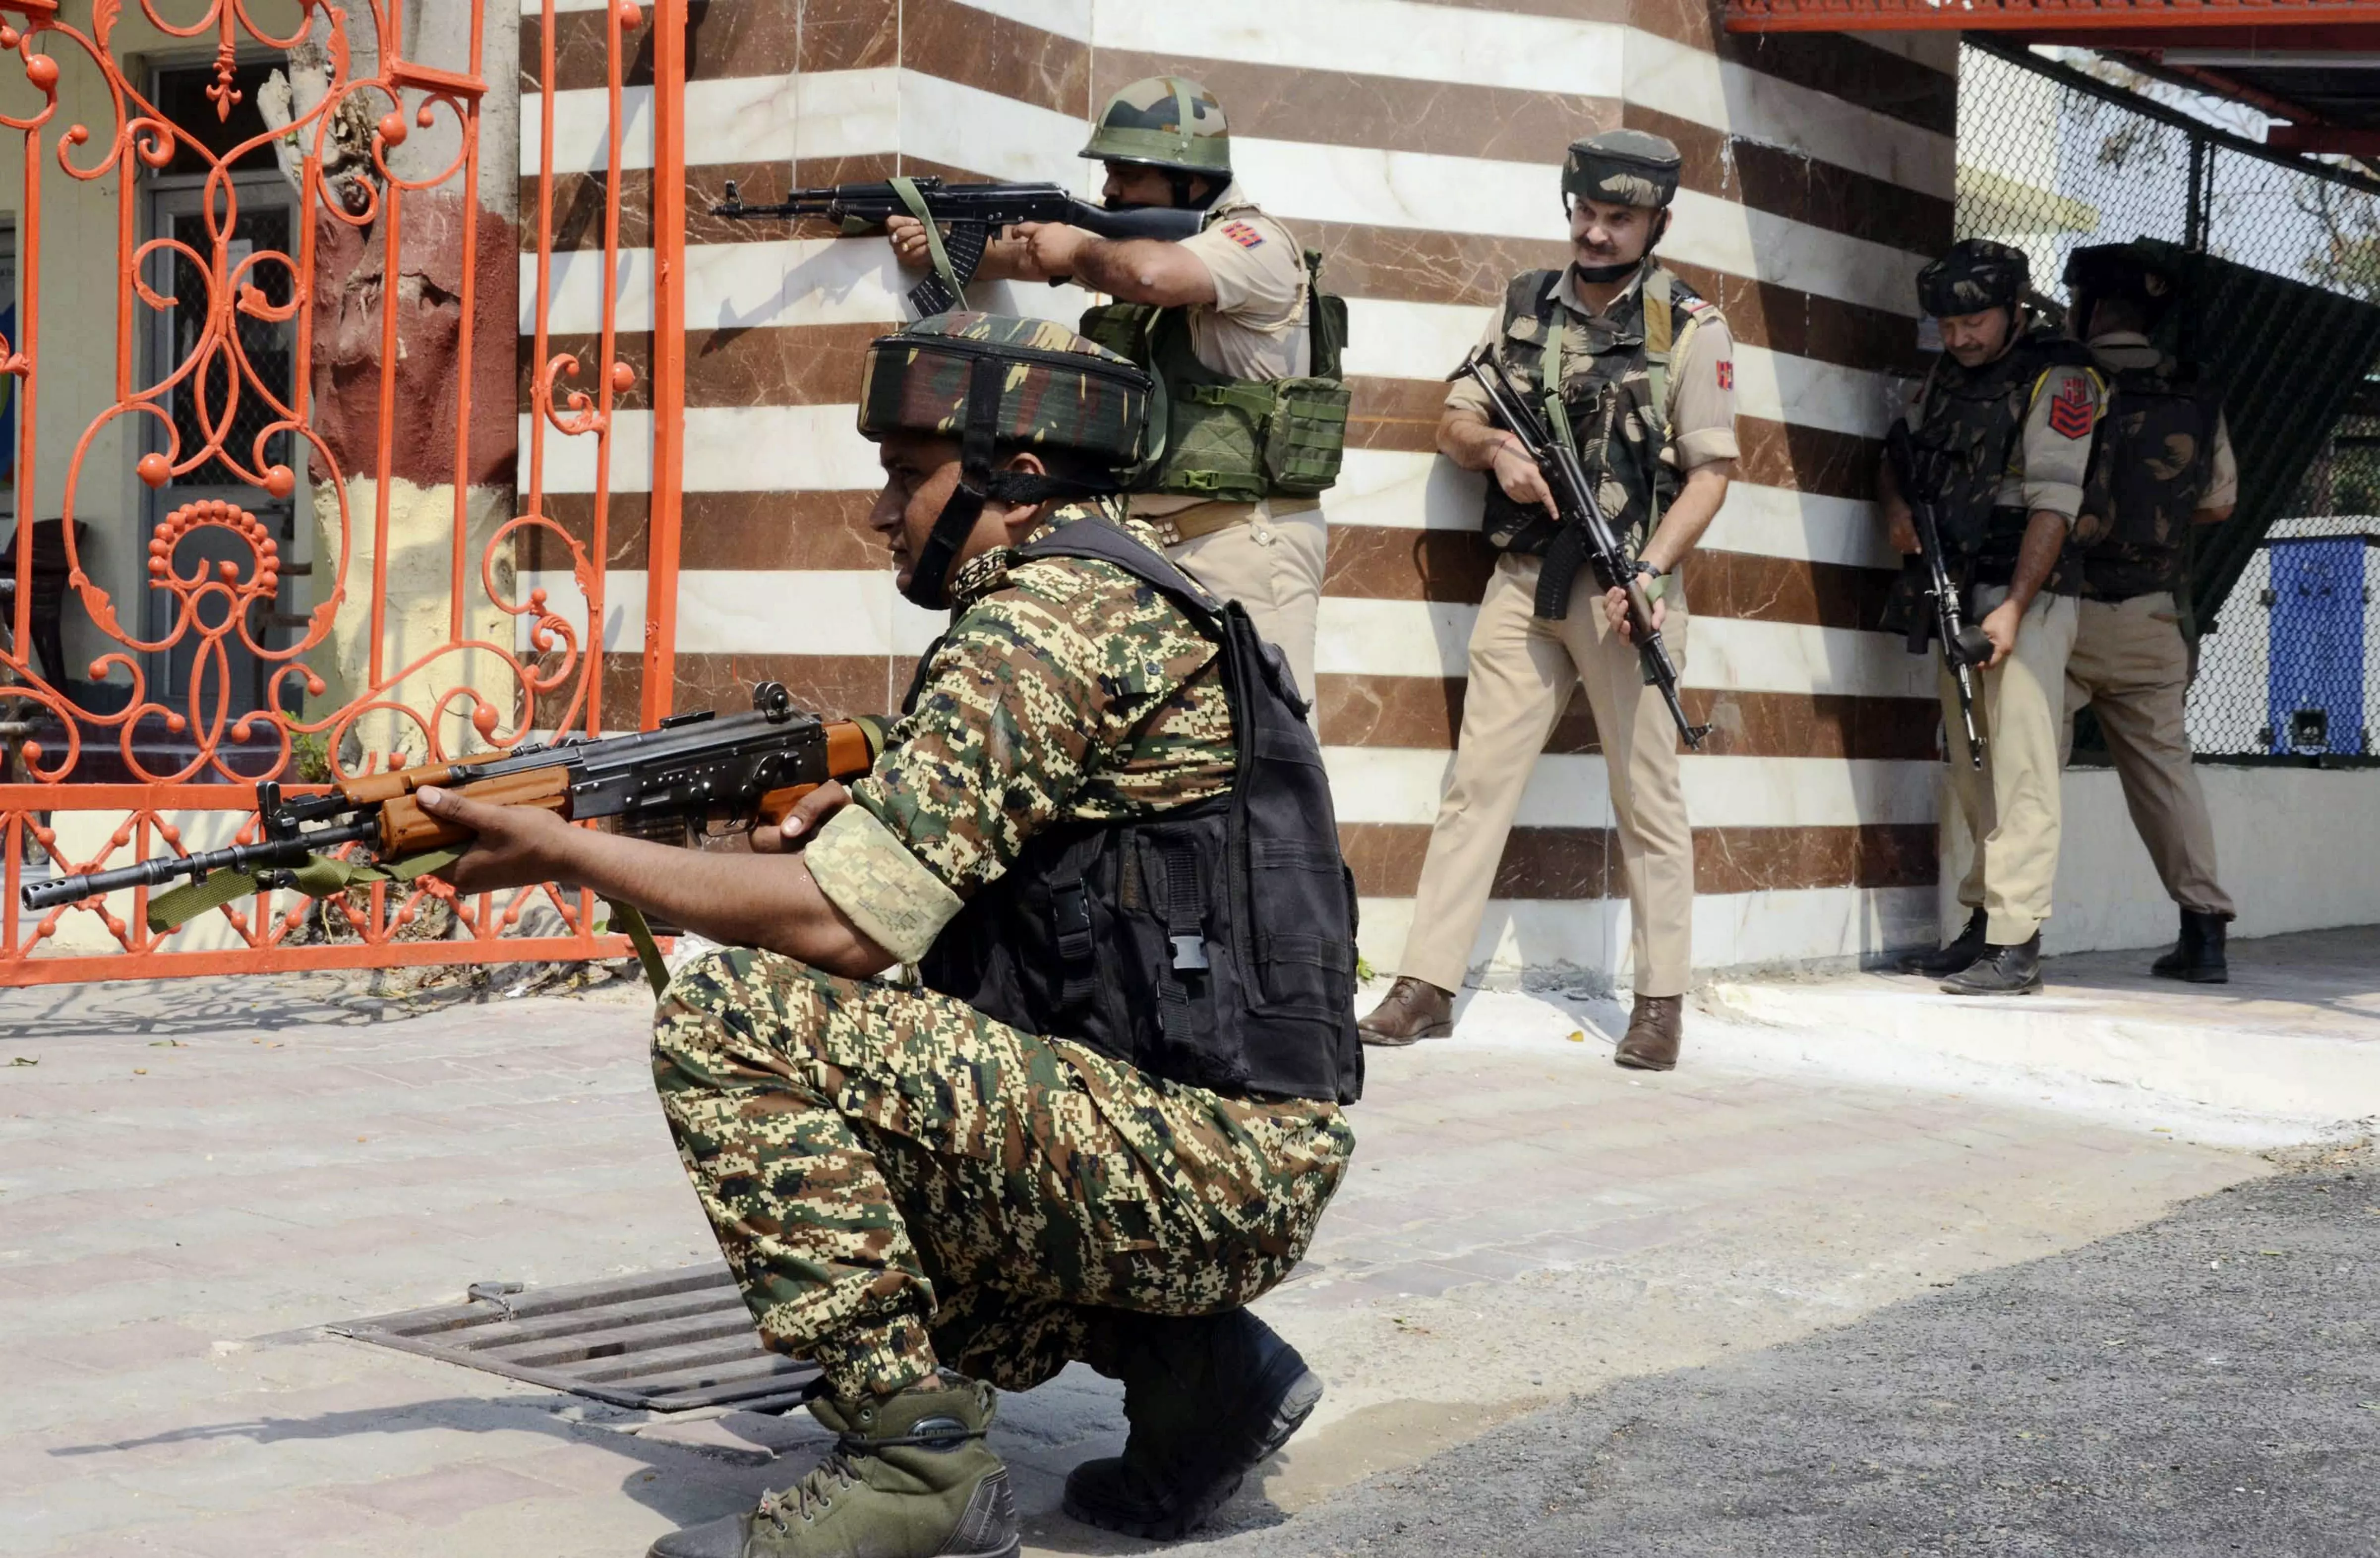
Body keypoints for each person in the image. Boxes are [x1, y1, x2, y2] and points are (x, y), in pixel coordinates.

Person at [413, 314, 1363, 1558]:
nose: (881, 510)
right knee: (875, 1108)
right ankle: (1205, 1381)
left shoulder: (1044, 625)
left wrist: (565, 849)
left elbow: (841, 926)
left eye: (907, 474)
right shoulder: (1118, 584)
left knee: (729, 1018)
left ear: (1012, 481)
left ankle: (914, 1461)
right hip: (1224, 1142)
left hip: (1202, 1163)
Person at [1354, 129, 1737, 1071]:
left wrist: (1646, 574)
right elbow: (1454, 417)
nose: (1597, 233)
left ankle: (1658, 1005)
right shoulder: (1526, 302)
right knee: (1475, 785)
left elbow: (1711, 476)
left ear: (1659, 222)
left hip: (1624, 595)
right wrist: (1499, 454)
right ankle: (1427, 985)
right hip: (1526, 580)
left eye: (1620, 218)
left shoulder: (1692, 327)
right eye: (1587, 213)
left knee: (1647, 799)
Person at [886, 75, 1347, 706]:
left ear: (1189, 181)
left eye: (1128, 173)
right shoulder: (1147, 247)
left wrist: (1076, 243)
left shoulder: (1254, 243)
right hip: (1152, 545)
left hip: (1241, 540)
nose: (1108, 189)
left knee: (1265, 735)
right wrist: (943, 239)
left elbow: (1150, 274)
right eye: (1109, 172)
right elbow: (1029, 259)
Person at [1883, 240, 2106, 996]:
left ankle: (2018, 941)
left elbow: (2056, 502)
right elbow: (1903, 455)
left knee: (2020, 766)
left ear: (2014, 308)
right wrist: (1897, 514)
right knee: (1970, 765)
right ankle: (1982, 923)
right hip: (1958, 587)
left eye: (1974, 321)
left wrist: (2013, 607)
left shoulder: (2062, 377)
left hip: (2026, 594)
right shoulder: (1948, 373)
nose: (1960, 338)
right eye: (1947, 325)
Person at [2059, 242, 2238, 982]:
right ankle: (2204, 933)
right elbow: (2220, 502)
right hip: (2152, 615)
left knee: (2023, 761)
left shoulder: (2060, 379)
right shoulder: (2195, 392)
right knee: (2166, 773)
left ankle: (2000, 928)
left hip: (2059, 609)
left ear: (2089, 306)